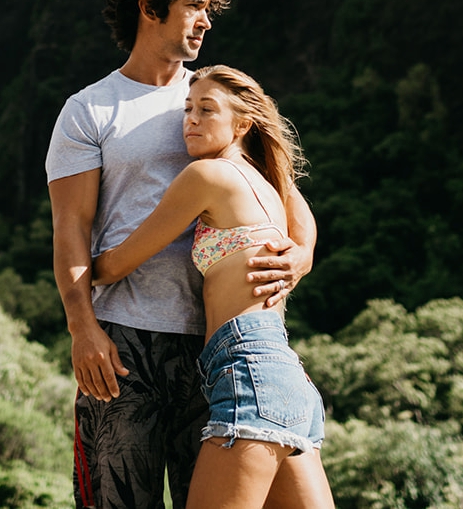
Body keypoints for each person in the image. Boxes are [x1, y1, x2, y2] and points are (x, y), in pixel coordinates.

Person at [48, 0, 318, 509]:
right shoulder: (90, 110)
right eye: (195, 6)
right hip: (123, 344)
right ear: (150, 8)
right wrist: (82, 329)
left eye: (209, 9)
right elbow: (70, 228)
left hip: (213, 346)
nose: (206, 20)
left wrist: (300, 256)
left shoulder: (213, 99)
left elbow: (289, 202)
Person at [93, 65, 333, 509]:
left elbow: (118, 263)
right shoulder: (269, 181)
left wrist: (73, 263)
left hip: (246, 371)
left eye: (207, 109)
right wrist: (303, 255)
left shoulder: (207, 175)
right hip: (288, 377)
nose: (191, 119)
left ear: (242, 124)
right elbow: (306, 230)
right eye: (187, 109)